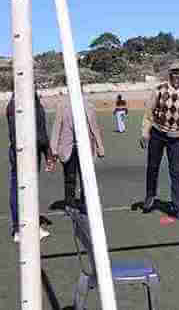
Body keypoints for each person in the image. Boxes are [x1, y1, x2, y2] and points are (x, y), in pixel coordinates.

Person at [139, 63, 179, 220]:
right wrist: (145, 133)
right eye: (174, 73)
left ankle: (178, 207)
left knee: (176, 172)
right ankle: (150, 197)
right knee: (152, 167)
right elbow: (148, 112)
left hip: (177, 138)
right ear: (169, 74)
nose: (177, 76)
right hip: (157, 134)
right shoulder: (159, 90)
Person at [49, 83, 105, 210]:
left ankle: (86, 203)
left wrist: (100, 146)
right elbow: (57, 127)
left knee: (86, 177)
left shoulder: (88, 106)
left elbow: (94, 128)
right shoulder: (62, 106)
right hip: (67, 147)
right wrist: (54, 148)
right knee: (70, 177)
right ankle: (70, 204)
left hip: (85, 148)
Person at [7, 90, 52, 243]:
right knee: (26, 190)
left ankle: (20, 228)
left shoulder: (14, 104)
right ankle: (24, 228)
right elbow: (41, 132)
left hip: (20, 152)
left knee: (18, 189)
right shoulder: (29, 104)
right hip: (27, 152)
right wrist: (48, 153)